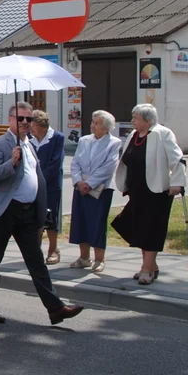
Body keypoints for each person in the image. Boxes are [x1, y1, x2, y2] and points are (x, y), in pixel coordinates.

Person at [0, 101, 84, 325]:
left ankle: (55, 308)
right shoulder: (0, 144)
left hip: (27, 213)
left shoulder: (30, 144)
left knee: (36, 261)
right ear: (11, 120)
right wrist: (11, 162)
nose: (26, 122)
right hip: (6, 211)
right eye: (21, 118)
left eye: (29, 119)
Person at [112, 103, 187, 286]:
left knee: (151, 230)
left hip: (157, 191)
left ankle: (146, 269)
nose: (132, 121)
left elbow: (177, 159)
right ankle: (151, 265)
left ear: (147, 120)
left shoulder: (162, 133)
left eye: (135, 118)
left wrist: (177, 183)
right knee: (130, 226)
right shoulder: (133, 135)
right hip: (136, 191)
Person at [67, 111, 121, 272]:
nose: (92, 125)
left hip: (101, 189)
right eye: (92, 121)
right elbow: (75, 162)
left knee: (97, 223)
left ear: (105, 128)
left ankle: (99, 259)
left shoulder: (114, 143)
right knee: (80, 221)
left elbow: (109, 167)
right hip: (81, 187)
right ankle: (84, 257)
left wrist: (90, 183)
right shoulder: (84, 140)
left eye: (96, 123)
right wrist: (79, 181)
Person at [29, 110, 65, 264]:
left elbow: (56, 163)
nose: (31, 129)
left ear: (43, 126)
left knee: (51, 218)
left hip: (50, 185)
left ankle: (53, 249)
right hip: (32, 185)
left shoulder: (57, 138)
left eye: (34, 126)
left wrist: (40, 179)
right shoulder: (28, 138)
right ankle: (35, 251)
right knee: (34, 218)